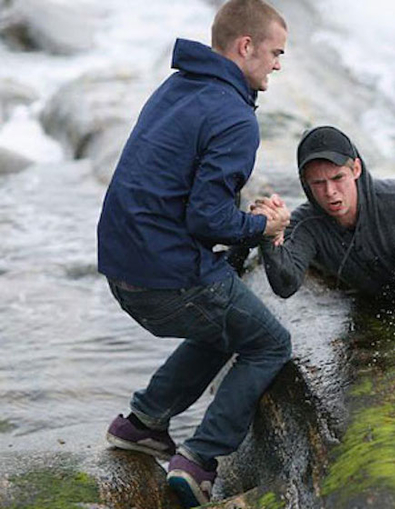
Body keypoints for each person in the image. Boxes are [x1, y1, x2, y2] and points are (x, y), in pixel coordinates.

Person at [96, 1, 290, 506]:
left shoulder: (178, 87)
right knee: (269, 342)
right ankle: (200, 459)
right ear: (245, 46)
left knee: (225, 320)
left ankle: (143, 423)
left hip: (123, 268)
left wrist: (237, 219)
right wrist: (262, 225)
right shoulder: (234, 116)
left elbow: (181, 194)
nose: (277, 64)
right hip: (165, 276)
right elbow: (206, 219)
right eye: (274, 52)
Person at [252, 125, 395, 308]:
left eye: (338, 178)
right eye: (318, 183)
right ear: (305, 182)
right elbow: (285, 286)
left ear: (356, 169)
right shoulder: (305, 225)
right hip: (374, 305)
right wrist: (269, 237)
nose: (330, 192)